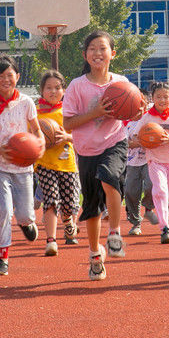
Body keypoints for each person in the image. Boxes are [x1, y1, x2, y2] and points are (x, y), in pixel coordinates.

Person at [63, 30, 133, 281]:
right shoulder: (77, 86)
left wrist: (137, 111)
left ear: (112, 53)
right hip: (86, 150)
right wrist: (95, 112)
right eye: (92, 48)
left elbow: (133, 112)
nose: (97, 53)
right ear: (85, 55)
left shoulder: (122, 84)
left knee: (109, 175)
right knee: (91, 209)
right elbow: (68, 124)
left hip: (114, 143)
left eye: (102, 48)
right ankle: (94, 255)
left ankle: (114, 233)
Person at [0, 56, 43, 276]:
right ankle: (2, 258)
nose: (6, 80)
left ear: (17, 76)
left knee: (24, 214)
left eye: (10, 75)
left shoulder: (26, 102)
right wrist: (1, 151)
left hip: (23, 166)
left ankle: (26, 224)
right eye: (1, 76)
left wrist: (40, 146)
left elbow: (36, 131)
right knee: (4, 210)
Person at [130, 82, 169, 244]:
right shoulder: (147, 117)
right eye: (158, 97)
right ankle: (164, 228)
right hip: (155, 160)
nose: (162, 100)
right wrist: (145, 141)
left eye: (165, 96)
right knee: (160, 191)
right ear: (153, 98)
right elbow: (136, 136)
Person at [35, 69, 80, 256]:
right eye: (49, 88)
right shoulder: (35, 113)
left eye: (57, 87)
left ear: (64, 90)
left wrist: (67, 137)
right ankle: (51, 240)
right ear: (42, 90)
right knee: (51, 200)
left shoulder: (69, 112)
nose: (53, 91)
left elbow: (83, 137)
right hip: (45, 164)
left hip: (68, 164)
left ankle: (69, 222)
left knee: (70, 203)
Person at [124, 88, 158, 236]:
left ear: (146, 104)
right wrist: (133, 143)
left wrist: (149, 140)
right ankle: (135, 223)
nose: (139, 106)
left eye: (142, 102)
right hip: (131, 163)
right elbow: (123, 143)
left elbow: (157, 135)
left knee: (152, 185)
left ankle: (149, 207)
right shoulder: (125, 123)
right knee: (131, 192)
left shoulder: (150, 119)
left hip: (149, 160)